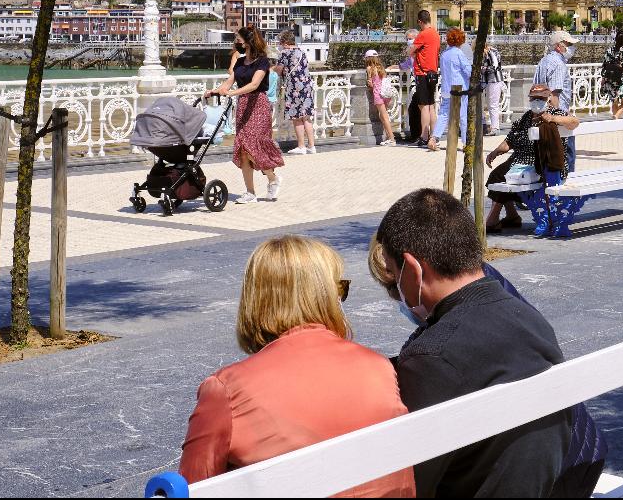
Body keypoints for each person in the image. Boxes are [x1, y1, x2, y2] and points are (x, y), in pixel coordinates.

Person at [179, 235, 415, 497]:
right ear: (324, 297)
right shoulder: (378, 368)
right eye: (339, 289)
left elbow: (192, 487)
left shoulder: (226, 390)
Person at [375, 189, 573, 497]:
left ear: (413, 269)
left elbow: (409, 483)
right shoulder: (529, 320)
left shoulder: (434, 355)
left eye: (393, 271)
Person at [484, 84, 579, 234]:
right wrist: (495, 152)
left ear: (548, 99)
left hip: (545, 161)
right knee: (497, 175)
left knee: (508, 177)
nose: (536, 101)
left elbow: (574, 122)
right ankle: (511, 215)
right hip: (520, 160)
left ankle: (493, 219)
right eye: (533, 98)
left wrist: (553, 118)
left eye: (540, 98)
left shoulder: (554, 112)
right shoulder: (525, 118)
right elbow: (510, 140)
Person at [206, 25, 283, 203]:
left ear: (248, 42)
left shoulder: (262, 61)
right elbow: (227, 84)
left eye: (238, 40)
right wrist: (214, 92)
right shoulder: (240, 62)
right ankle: (250, 192)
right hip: (243, 106)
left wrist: (233, 93)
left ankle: (273, 179)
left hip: (258, 105)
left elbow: (255, 84)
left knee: (255, 146)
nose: (236, 43)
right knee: (243, 150)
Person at [534, 29, 578, 172]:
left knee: (547, 164)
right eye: (568, 44)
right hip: (558, 122)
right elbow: (553, 96)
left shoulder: (544, 61)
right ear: (559, 46)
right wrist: (556, 118)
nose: (571, 47)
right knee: (565, 162)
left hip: (541, 116)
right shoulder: (558, 64)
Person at [274, 31, 316, 156]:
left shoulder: (284, 53)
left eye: (281, 42)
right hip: (307, 87)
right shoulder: (302, 52)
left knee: (297, 118)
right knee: (306, 117)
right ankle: (312, 146)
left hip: (294, 88)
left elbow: (279, 70)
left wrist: (272, 68)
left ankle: (301, 146)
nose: (280, 45)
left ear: (285, 43)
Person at [429, 28, 473, 151]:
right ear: (460, 40)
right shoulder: (458, 53)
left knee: (443, 114)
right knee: (463, 116)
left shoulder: (444, 54)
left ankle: (434, 138)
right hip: (459, 89)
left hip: (446, 88)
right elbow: (468, 70)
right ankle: (466, 143)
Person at [410, 11, 441, 147]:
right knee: (431, 106)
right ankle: (434, 136)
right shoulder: (435, 33)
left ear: (420, 22)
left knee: (423, 106)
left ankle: (424, 135)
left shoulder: (423, 34)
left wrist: (414, 50)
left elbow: (410, 50)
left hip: (422, 74)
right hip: (432, 73)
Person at [365, 50, 396, 146]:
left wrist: (369, 82)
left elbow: (370, 83)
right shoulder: (381, 68)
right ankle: (388, 137)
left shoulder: (369, 68)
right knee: (383, 116)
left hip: (378, 95)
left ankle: (392, 139)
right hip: (386, 94)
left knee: (384, 117)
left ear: (368, 59)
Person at [400, 28, 421, 142]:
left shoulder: (418, 51)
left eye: (410, 39)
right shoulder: (412, 53)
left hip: (419, 82)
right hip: (417, 83)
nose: (408, 41)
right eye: (407, 39)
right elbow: (407, 64)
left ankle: (418, 136)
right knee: (415, 109)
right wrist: (396, 67)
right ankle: (419, 135)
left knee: (415, 109)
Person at [482, 45, 506, 136]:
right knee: (492, 104)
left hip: (493, 80)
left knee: (492, 104)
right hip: (495, 80)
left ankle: (494, 128)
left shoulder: (489, 53)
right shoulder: (494, 51)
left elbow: (494, 67)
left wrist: (480, 69)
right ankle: (492, 127)